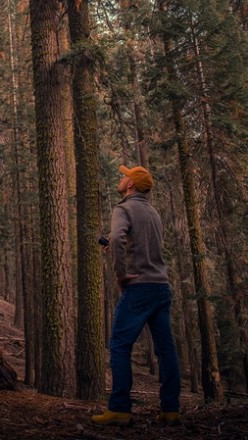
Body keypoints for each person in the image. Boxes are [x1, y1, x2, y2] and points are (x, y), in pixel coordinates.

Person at [92, 165, 181, 427]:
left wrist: (122, 274)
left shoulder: (123, 209)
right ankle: (171, 409)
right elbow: (136, 242)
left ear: (131, 184)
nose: (122, 177)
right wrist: (114, 242)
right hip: (161, 287)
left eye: (125, 175)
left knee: (120, 345)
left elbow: (120, 238)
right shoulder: (153, 213)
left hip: (138, 287)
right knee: (166, 350)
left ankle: (119, 409)